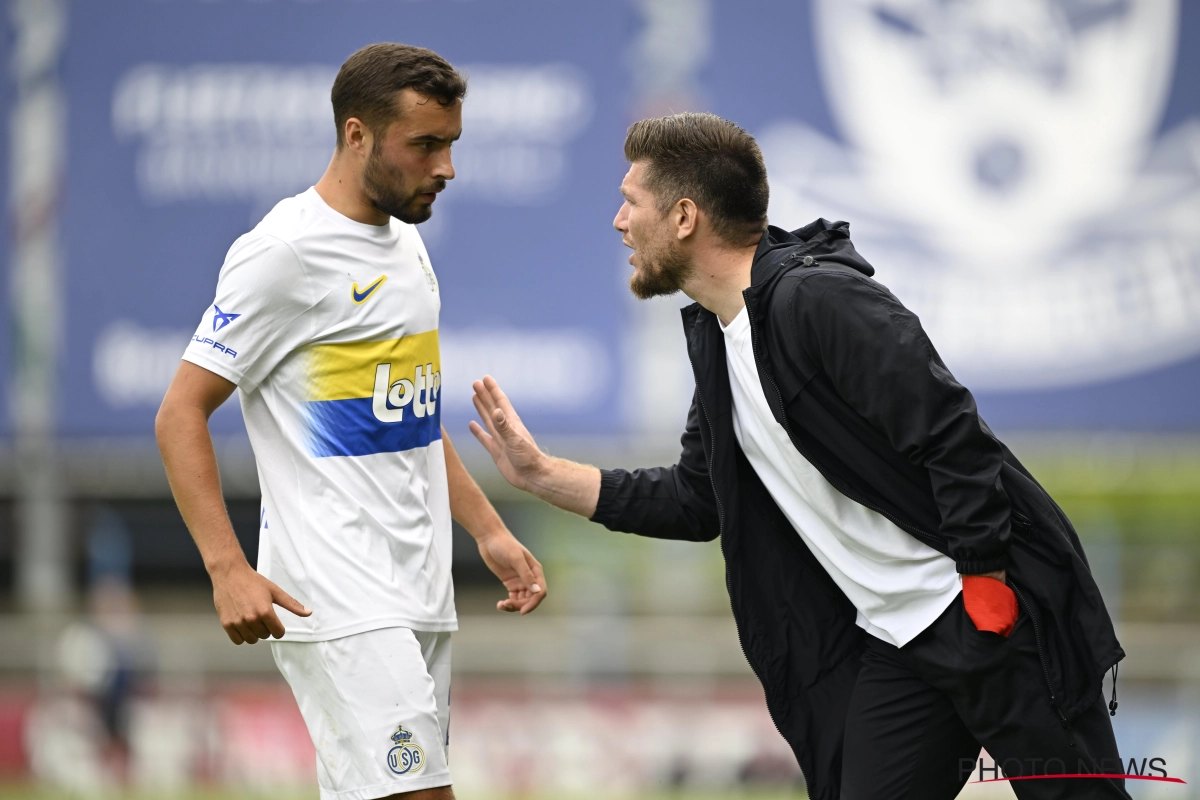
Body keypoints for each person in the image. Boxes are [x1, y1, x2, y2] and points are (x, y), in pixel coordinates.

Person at [469, 112, 1128, 800]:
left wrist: (986, 586)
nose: (618, 222)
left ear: (685, 216)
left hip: (995, 614)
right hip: (900, 644)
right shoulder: (721, 339)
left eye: (631, 202)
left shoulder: (819, 298)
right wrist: (540, 473)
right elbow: (697, 500)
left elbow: (950, 432)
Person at [156, 43, 547, 800]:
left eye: (452, 144)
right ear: (357, 135)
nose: (447, 168)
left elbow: (408, 416)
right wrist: (227, 567)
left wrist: (487, 529)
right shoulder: (283, 252)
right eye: (426, 145)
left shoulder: (407, 244)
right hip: (335, 592)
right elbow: (181, 414)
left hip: (418, 592)